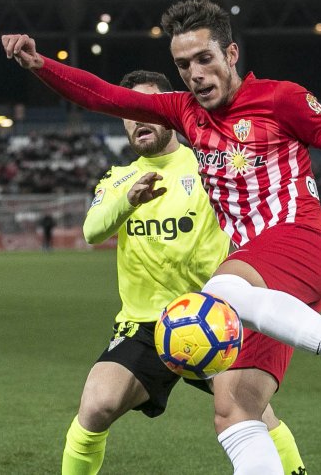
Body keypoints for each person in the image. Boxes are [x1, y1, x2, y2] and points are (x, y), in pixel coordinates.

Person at [4, 0, 321, 474]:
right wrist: (39, 63)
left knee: (218, 291)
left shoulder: (281, 99)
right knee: (234, 413)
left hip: (298, 242)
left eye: (204, 59)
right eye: (183, 64)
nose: (195, 74)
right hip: (265, 292)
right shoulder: (185, 111)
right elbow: (105, 96)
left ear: (231, 55)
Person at [63, 70, 306, 475]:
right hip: (144, 325)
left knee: (255, 416)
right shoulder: (119, 178)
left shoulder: (207, 166)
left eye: (146, 109)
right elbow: (92, 230)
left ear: (168, 111)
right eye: (128, 111)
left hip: (210, 318)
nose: (138, 119)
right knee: (97, 405)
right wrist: (129, 199)